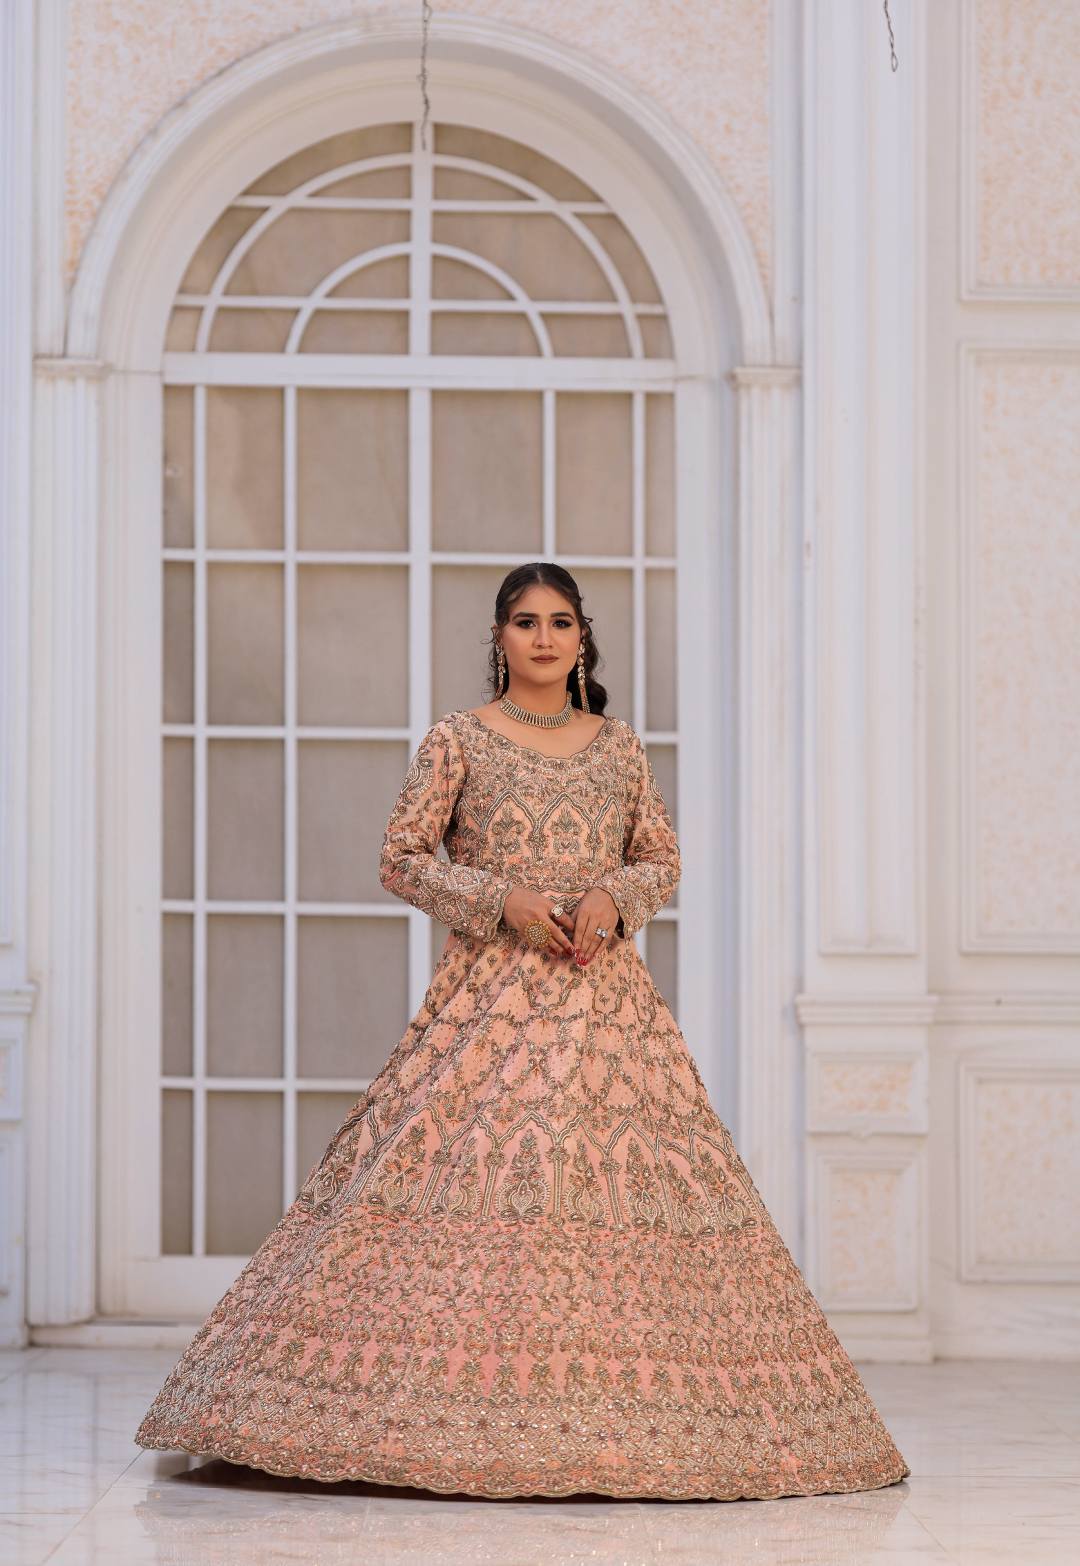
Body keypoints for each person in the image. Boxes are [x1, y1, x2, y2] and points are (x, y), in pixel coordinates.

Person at [134, 561, 910, 1500]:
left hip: (606, 1009)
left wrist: (614, 897)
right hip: (488, 1003)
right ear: (499, 638)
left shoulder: (618, 747)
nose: (544, 637)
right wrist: (501, 898)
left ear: (583, 640)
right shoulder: (457, 740)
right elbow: (401, 858)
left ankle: (620, 1416)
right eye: (526, 622)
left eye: (561, 622)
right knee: (456, 1187)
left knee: (620, 1196)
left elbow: (660, 857)